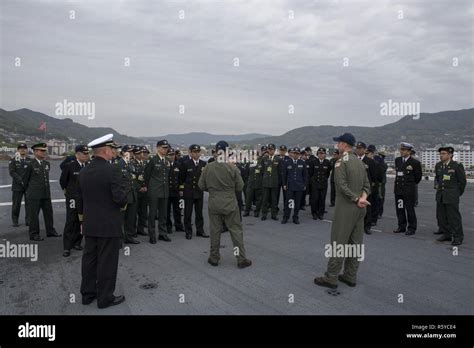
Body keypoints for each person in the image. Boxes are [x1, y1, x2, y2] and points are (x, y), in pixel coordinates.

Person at [314, 133, 370, 289]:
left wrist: (356, 199)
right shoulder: (359, 163)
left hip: (346, 208)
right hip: (360, 209)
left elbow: (341, 186)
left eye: (338, 143)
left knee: (339, 242)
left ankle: (331, 278)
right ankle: (350, 276)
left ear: (344, 145)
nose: (337, 145)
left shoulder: (340, 163)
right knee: (355, 243)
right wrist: (362, 198)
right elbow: (367, 186)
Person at [77, 134, 127, 309]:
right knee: (107, 261)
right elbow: (120, 199)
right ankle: (105, 298)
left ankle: (87, 294)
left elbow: (80, 198)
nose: (114, 152)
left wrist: (82, 219)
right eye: (113, 150)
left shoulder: (83, 170)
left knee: (89, 259)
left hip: (90, 223)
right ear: (106, 150)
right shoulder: (112, 170)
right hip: (108, 225)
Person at [198, 141, 252, 269]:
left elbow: (201, 185)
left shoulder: (208, 167)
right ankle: (240, 259)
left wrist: (213, 191)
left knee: (215, 231)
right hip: (229, 203)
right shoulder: (232, 167)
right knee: (235, 231)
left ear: (216, 152)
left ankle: (214, 258)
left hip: (214, 202)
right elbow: (240, 186)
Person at [23, 143, 61, 241]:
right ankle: (34, 234)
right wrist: (30, 191)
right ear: (35, 152)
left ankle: (50, 231)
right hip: (34, 194)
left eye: (44, 151)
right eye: (41, 151)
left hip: (46, 193)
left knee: (49, 213)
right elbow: (25, 180)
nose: (44, 153)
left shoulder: (46, 164)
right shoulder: (30, 164)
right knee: (34, 215)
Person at [59, 145, 90, 257]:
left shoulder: (89, 166)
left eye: (87, 153)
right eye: (84, 154)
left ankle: (77, 242)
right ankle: (67, 247)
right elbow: (62, 181)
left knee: (81, 221)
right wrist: (68, 194)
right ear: (77, 154)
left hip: (85, 198)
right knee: (71, 221)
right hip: (73, 198)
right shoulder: (70, 166)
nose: (87, 156)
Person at [434, 146, 466, 246]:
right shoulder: (438, 165)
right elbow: (438, 178)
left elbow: (462, 182)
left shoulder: (456, 166)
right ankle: (447, 234)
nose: (441, 155)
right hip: (441, 195)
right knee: (442, 217)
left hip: (451, 196)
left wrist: (456, 193)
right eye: (440, 154)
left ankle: (458, 237)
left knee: (454, 218)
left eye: (443, 154)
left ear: (450, 155)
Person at [144, 140, 172, 243]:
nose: (166, 150)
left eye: (167, 148)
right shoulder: (152, 160)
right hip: (154, 191)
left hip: (164, 191)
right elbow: (147, 176)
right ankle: (152, 235)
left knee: (163, 214)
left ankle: (162, 233)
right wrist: (149, 188)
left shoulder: (167, 160)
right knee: (152, 214)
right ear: (158, 148)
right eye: (164, 148)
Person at [179, 144, 208, 239]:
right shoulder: (186, 164)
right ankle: (188, 231)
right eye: (194, 152)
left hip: (199, 191)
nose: (196, 154)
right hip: (189, 192)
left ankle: (200, 230)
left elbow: (205, 179)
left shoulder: (204, 164)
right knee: (188, 213)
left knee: (199, 213)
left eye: (198, 152)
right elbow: (181, 178)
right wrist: (182, 189)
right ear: (190, 153)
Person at [393, 142, 422, 236]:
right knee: (400, 209)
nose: (401, 151)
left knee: (410, 210)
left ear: (409, 151)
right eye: (401, 149)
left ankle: (411, 228)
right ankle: (401, 226)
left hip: (408, 191)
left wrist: (410, 186)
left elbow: (418, 178)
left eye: (404, 150)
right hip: (399, 190)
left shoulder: (415, 163)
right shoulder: (397, 160)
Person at [355, 142, 378, 235]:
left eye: (360, 148)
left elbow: (374, 177)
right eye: (357, 148)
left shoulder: (370, 161)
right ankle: (356, 226)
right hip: (355, 188)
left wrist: (370, 188)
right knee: (355, 208)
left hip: (366, 189)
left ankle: (367, 226)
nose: (358, 150)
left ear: (364, 150)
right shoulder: (353, 160)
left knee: (367, 209)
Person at [118, 145, 140, 244]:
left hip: (132, 195)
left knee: (131, 218)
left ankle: (129, 237)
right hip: (123, 196)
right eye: (129, 151)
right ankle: (119, 239)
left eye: (132, 152)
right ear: (123, 153)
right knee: (120, 219)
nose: (131, 153)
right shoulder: (119, 164)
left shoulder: (131, 164)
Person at [281, 147, 307, 224]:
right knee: (288, 203)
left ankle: (295, 217)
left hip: (299, 186)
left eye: (297, 153)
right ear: (292, 154)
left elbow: (305, 175)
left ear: (299, 155)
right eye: (294, 153)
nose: (296, 155)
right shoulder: (287, 162)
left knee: (297, 203)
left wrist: (304, 185)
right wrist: (284, 184)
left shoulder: (302, 163)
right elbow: (284, 175)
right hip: (290, 186)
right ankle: (286, 217)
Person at [9, 143, 31, 227]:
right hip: (17, 186)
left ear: (27, 150)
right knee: (16, 205)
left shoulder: (30, 160)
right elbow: (12, 172)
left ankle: (28, 220)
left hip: (28, 186)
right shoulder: (13, 160)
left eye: (24, 148)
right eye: (21, 148)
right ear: (18, 150)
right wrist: (20, 180)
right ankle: (15, 221)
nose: (22, 149)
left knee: (29, 204)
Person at [309, 147, 331, 220]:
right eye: (319, 153)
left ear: (325, 154)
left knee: (322, 199)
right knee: (315, 199)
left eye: (322, 153)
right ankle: (314, 213)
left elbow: (328, 173)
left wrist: (324, 179)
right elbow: (311, 173)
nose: (321, 155)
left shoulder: (327, 162)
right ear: (317, 154)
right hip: (315, 183)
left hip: (323, 183)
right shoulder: (313, 162)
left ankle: (321, 213)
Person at [243, 146, 265, 217]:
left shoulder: (261, 163)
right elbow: (246, 173)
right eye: (253, 155)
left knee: (258, 199)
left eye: (256, 155)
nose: (254, 156)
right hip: (250, 183)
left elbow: (263, 172)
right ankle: (247, 211)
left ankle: (257, 212)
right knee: (248, 198)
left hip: (259, 183)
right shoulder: (249, 163)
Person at [260, 144, 280, 221]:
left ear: (274, 150)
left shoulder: (278, 159)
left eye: (272, 149)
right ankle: (264, 214)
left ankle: (274, 215)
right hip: (266, 182)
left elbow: (280, 171)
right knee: (265, 199)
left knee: (274, 200)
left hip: (274, 182)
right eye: (269, 149)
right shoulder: (264, 158)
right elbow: (261, 170)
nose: (270, 150)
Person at [167, 148, 184, 234]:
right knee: (167, 210)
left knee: (177, 210)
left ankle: (178, 226)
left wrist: (181, 189)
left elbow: (181, 178)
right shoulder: (165, 165)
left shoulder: (178, 165)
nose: (172, 156)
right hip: (167, 191)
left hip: (176, 191)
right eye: (170, 155)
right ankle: (168, 226)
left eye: (173, 154)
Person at [133, 146, 149, 236]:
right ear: (135, 155)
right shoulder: (132, 164)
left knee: (143, 212)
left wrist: (146, 187)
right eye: (138, 153)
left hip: (145, 191)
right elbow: (132, 179)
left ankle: (141, 228)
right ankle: (133, 230)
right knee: (134, 213)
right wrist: (139, 187)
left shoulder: (145, 163)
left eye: (141, 153)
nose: (141, 155)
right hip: (136, 191)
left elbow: (148, 177)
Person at [374, 150, 387, 217]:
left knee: (380, 198)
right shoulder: (381, 163)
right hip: (380, 183)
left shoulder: (383, 164)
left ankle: (379, 212)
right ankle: (378, 212)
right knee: (378, 198)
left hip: (381, 184)